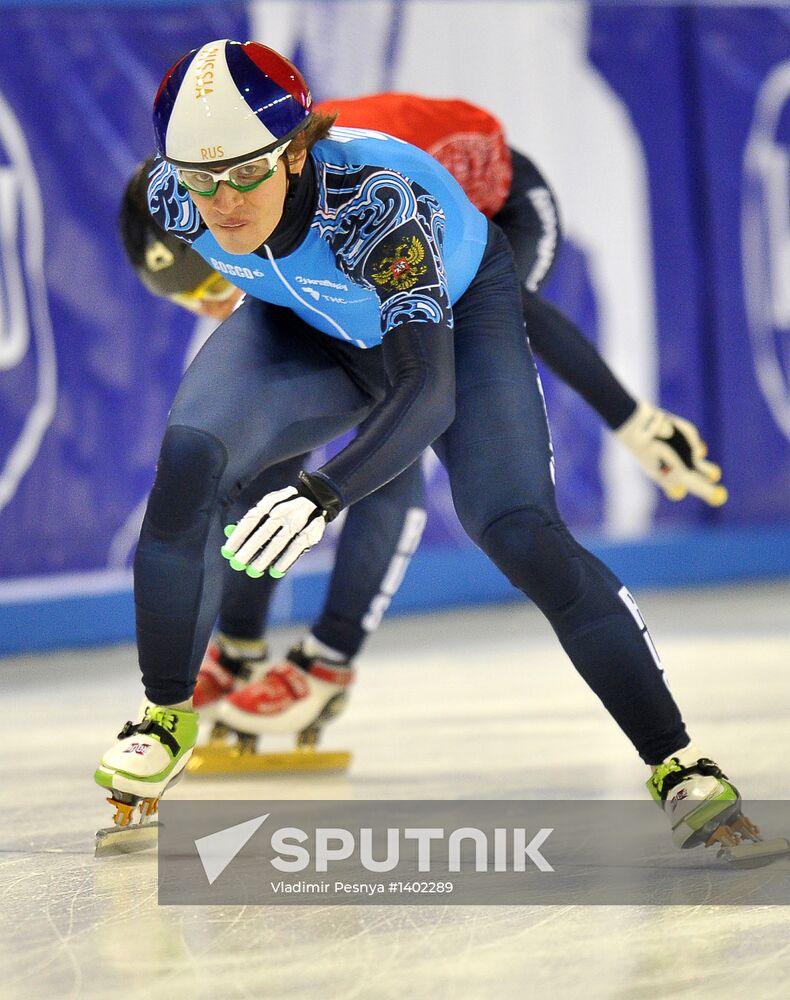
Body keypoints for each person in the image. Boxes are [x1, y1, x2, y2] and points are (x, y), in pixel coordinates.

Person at [96, 40, 753, 856]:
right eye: (202, 179)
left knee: (517, 529)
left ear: (297, 152)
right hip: (312, 319)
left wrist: (324, 491)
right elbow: (225, 225)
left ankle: (679, 762)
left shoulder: (375, 202)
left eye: (244, 174)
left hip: (454, 313)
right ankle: (164, 716)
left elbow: (426, 394)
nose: (223, 204)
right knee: (194, 458)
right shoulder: (175, 194)